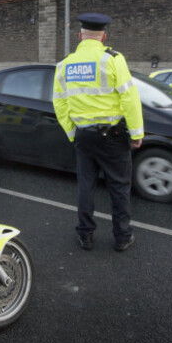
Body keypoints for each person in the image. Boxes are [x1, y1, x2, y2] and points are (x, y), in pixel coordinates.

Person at [53, 13, 144, 252]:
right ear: (103, 36)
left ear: (80, 35)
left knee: (86, 186)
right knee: (119, 186)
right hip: (113, 136)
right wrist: (136, 133)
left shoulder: (64, 64)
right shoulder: (112, 59)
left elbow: (60, 104)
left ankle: (85, 235)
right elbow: (130, 97)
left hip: (83, 136)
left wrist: (72, 133)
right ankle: (122, 237)